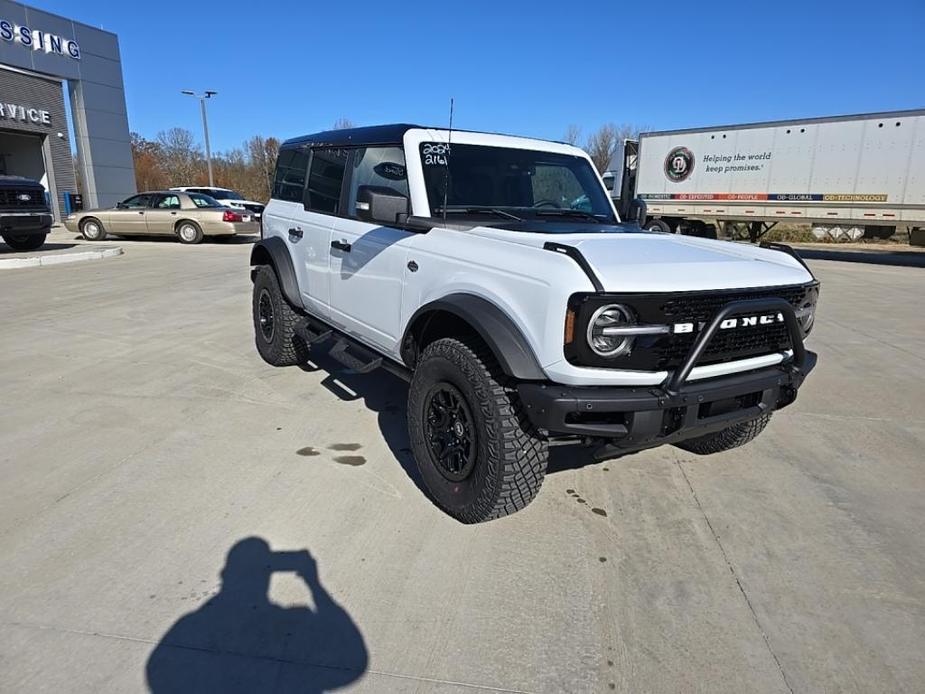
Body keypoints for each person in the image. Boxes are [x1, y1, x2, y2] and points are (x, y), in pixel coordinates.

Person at [146, 537, 367, 693]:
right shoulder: (289, 624)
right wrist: (314, 585)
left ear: (225, 574)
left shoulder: (190, 626)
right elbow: (354, 658)